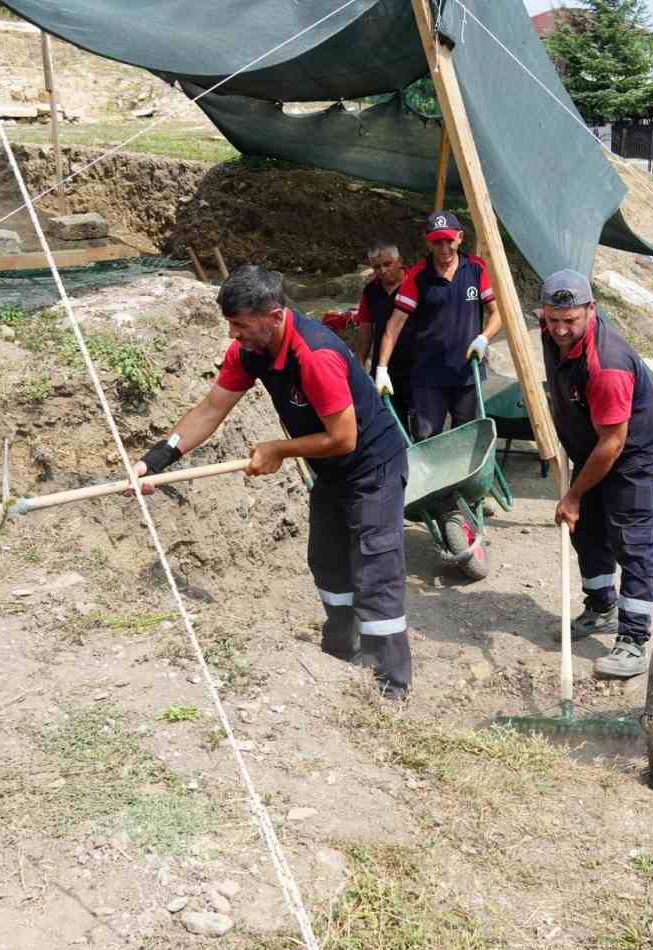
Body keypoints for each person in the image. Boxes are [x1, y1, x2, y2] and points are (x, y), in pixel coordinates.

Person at [128, 266, 411, 699]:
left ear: (274, 316)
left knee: (375, 570)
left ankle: (389, 685)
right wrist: (158, 458)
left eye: (239, 324)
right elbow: (210, 408)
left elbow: (344, 437)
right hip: (332, 469)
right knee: (328, 561)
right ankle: (340, 653)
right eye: (230, 323)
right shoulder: (251, 352)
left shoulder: (315, 356)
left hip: (374, 468)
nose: (232, 334)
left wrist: (280, 449)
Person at [540, 269, 653, 679]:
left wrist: (574, 494)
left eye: (570, 321)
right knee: (587, 529)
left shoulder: (608, 365)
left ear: (591, 311)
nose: (560, 329)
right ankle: (601, 607)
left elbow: (613, 442)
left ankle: (632, 640)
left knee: (632, 540)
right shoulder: (553, 333)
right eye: (552, 319)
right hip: (591, 446)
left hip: (631, 456)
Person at [374, 210, 502, 439]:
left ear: (460, 237)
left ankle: (469, 477)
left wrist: (484, 338)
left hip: (467, 373)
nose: (444, 248)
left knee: (467, 438)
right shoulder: (416, 276)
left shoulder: (476, 268)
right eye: (437, 242)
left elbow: (497, 313)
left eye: (449, 241)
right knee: (426, 439)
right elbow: (393, 327)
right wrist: (382, 369)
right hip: (428, 377)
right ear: (427, 242)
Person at [355, 242, 410, 428]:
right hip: (384, 368)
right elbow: (365, 327)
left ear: (399, 261)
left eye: (387, 264)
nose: (383, 270)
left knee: (424, 428)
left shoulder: (416, 284)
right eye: (377, 266)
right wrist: (360, 361)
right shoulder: (371, 291)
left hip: (416, 367)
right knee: (393, 425)